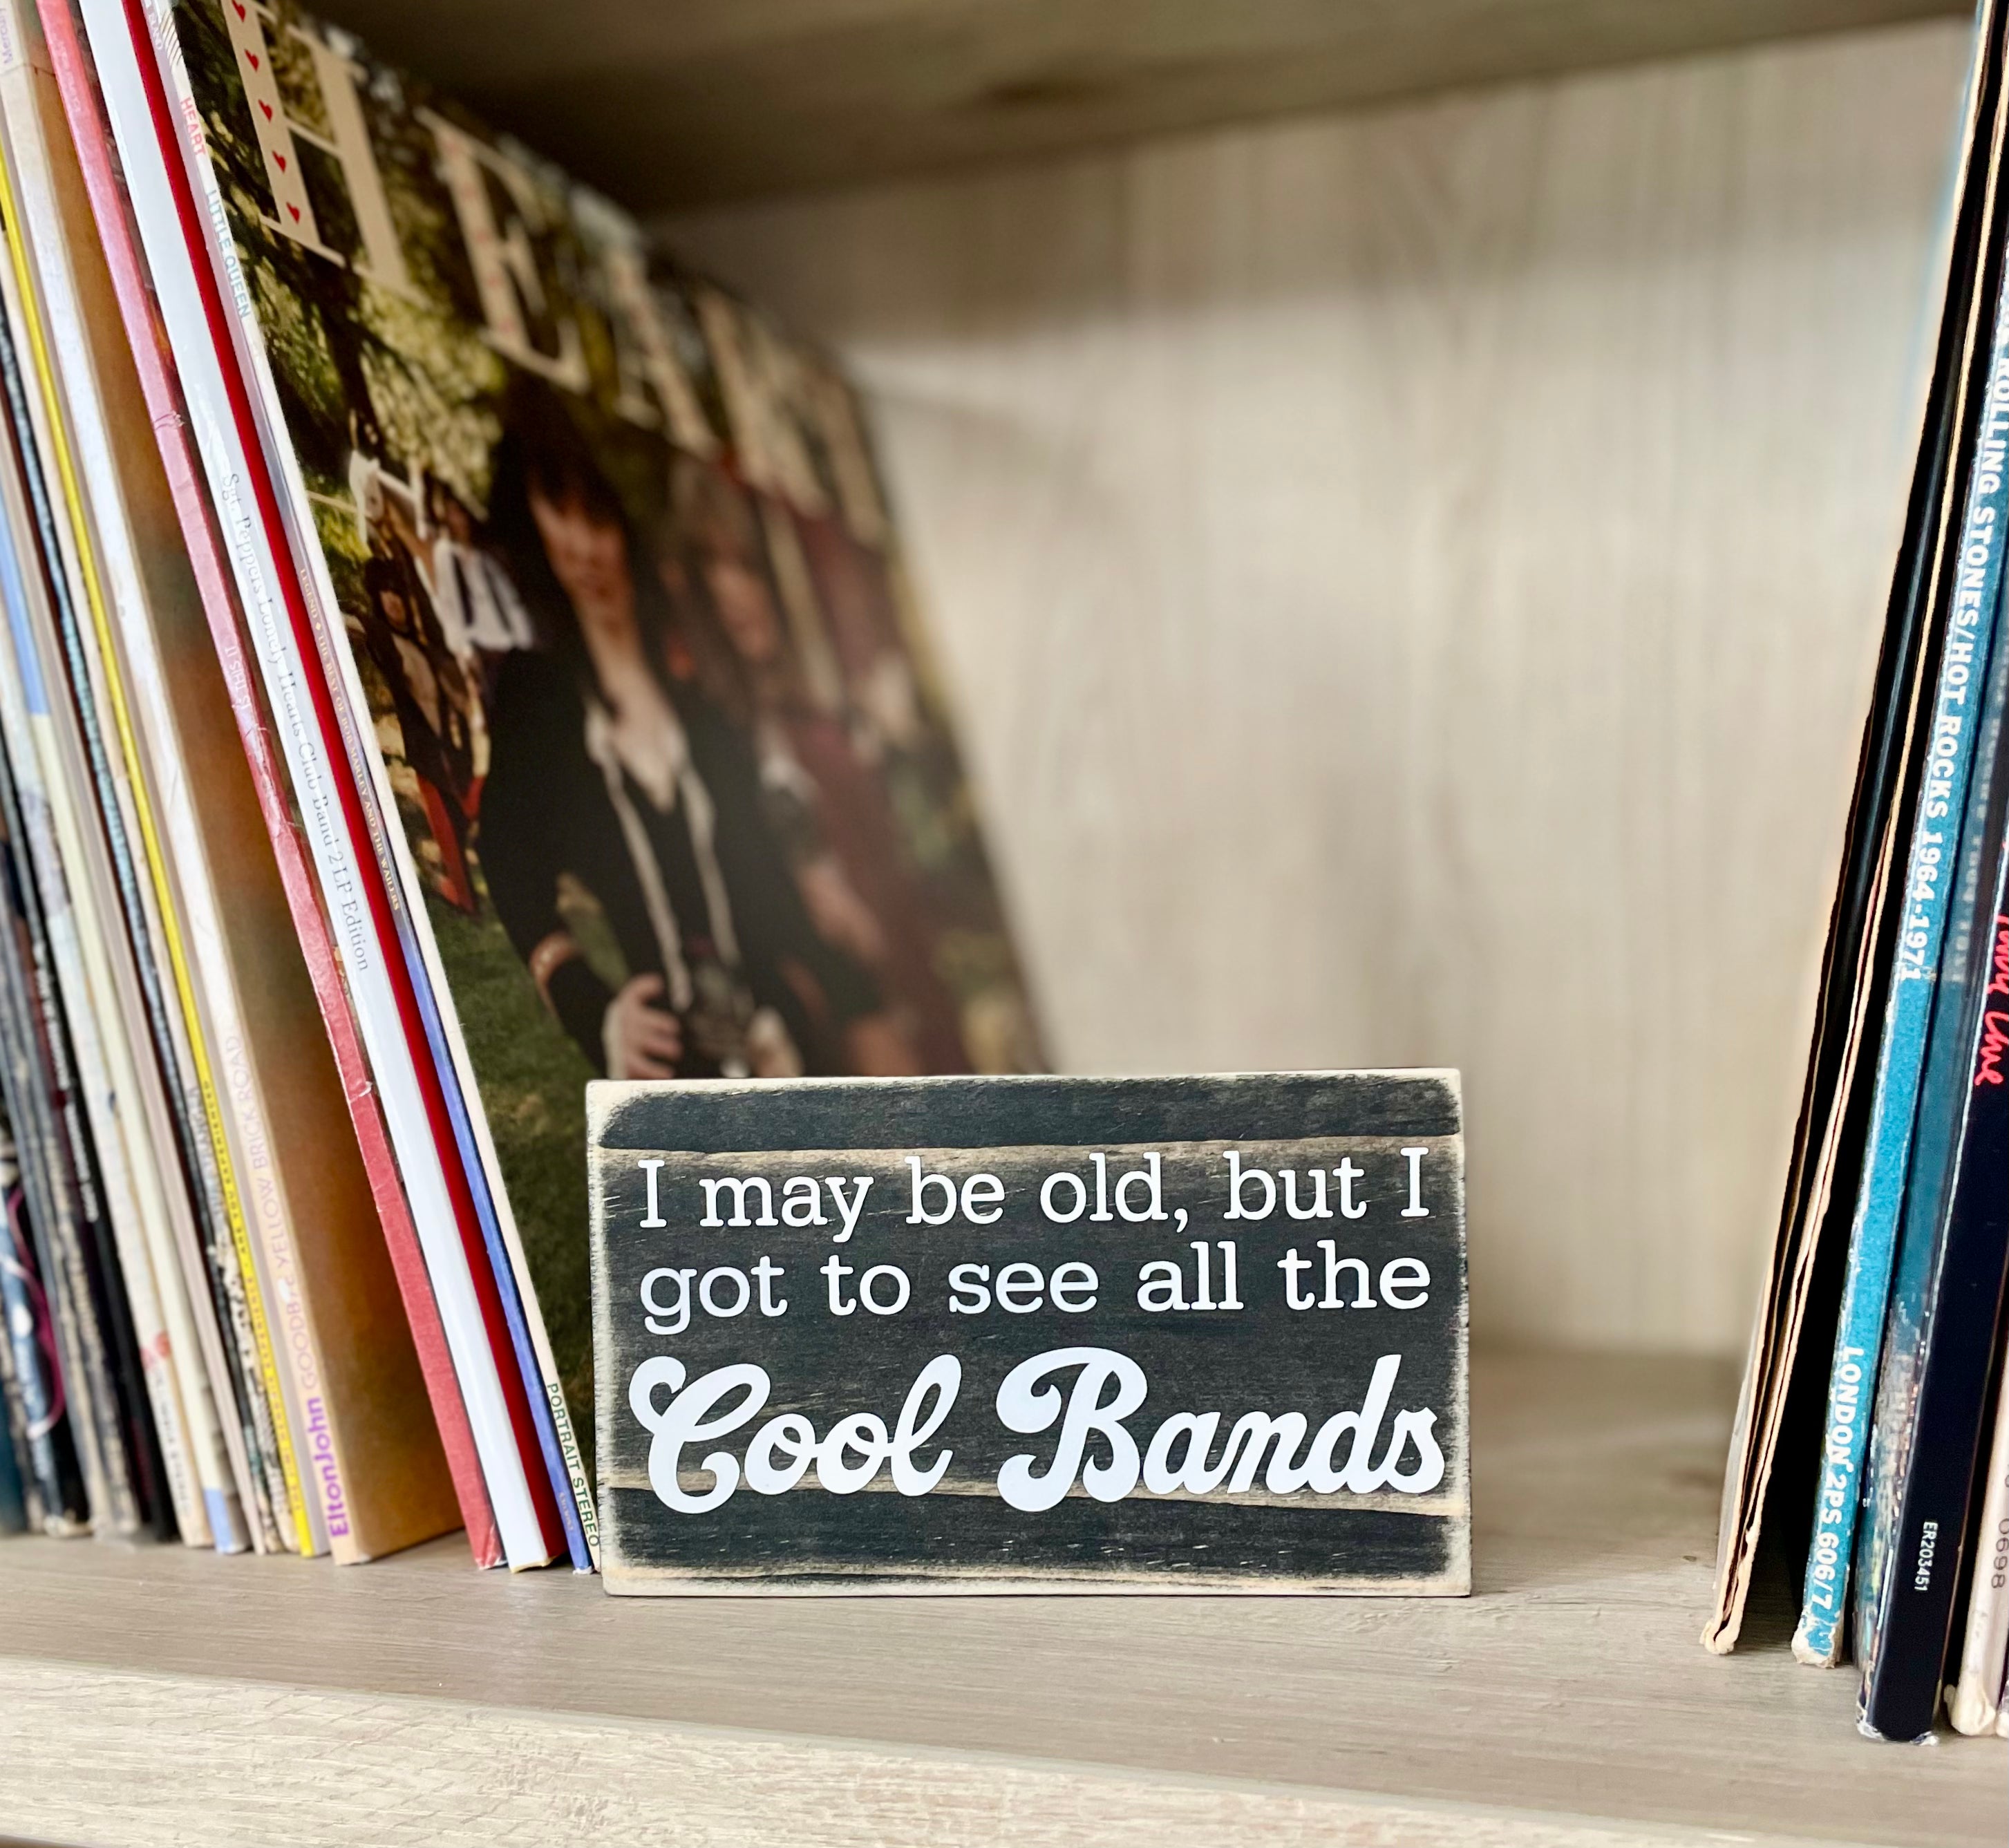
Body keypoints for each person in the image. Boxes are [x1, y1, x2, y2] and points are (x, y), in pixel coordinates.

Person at [478, 379, 903, 1080]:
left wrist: (821, 1013)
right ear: (530, 523)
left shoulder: (701, 714)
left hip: (776, 1060)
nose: (584, 543)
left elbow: (766, 887)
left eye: (598, 516)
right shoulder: (541, 702)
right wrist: (589, 1005)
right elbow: (509, 857)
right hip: (669, 1083)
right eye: (559, 511)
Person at [663, 456, 963, 1071]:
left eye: (743, 563)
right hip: (830, 1008)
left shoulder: (820, 717)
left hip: (910, 975)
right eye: (710, 567)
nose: (731, 592)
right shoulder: (713, 738)